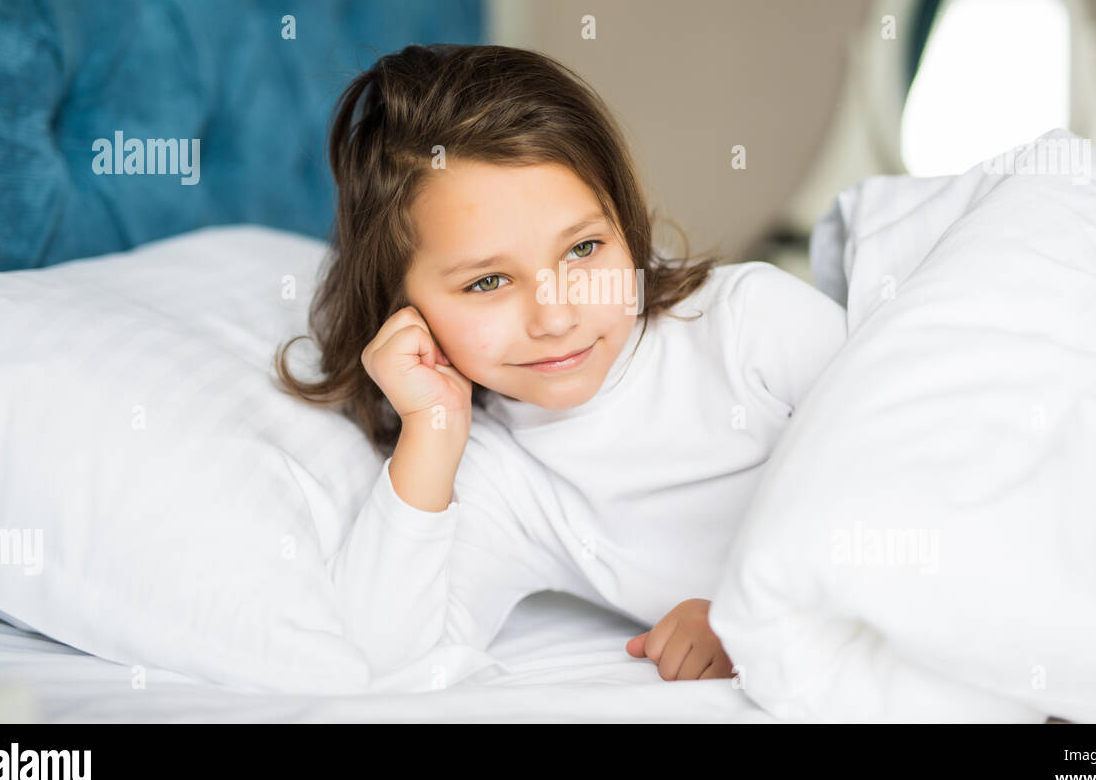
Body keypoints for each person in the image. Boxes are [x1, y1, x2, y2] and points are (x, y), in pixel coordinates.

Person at [275, 43, 846, 682]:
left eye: (583, 249)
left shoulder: (754, 326)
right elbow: (383, 657)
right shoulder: (497, 475)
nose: (555, 318)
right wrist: (431, 432)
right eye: (487, 282)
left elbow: (926, 476)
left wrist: (753, 615)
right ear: (403, 310)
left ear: (626, 226)